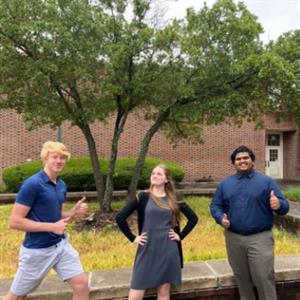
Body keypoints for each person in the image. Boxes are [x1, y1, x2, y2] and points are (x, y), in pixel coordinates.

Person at [4, 141, 89, 300]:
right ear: (45, 158)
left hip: (60, 246)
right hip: (38, 251)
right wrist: (51, 226)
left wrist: (73, 212)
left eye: (62, 158)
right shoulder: (32, 184)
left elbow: (56, 216)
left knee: (82, 283)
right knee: (16, 297)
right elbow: (15, 222)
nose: (59, 161)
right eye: (54, 157)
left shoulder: (61, 185)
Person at [210, 145, 289, 300]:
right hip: (233, 238)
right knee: (242, 279)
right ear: (234, 163)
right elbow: (215, 205)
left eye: (246, 158)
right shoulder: (225, 184)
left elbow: (284, 206)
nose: (242, 161)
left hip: (260, 239)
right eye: (238, 159)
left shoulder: (266, 182)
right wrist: (220, 218)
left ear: (252, 161)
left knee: (263, 277)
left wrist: (278, 204)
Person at [116, 164, 198, 300]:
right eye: (153, 173)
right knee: (135, 293)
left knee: (164, 293)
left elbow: (193, 218)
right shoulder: (142, 197)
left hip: (168, 249)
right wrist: (133, 238)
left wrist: (180, 236)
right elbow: (120, 218)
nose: (154, 175)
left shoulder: (174, 198)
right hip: (147, 248)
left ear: (166, 180)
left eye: (159, 174)